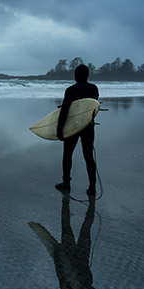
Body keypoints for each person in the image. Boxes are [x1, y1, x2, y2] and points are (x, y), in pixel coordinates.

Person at [55, 64, 99, 196]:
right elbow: (93, 106)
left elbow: (65, 110)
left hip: (73, 126)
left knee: (67, 155)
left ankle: (66, 183)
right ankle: (92, 187)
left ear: (75, 76)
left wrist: (59, 128)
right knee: (88, 156)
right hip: (88, 126)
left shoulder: (71, 90)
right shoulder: (93, 88)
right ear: (87, 75)